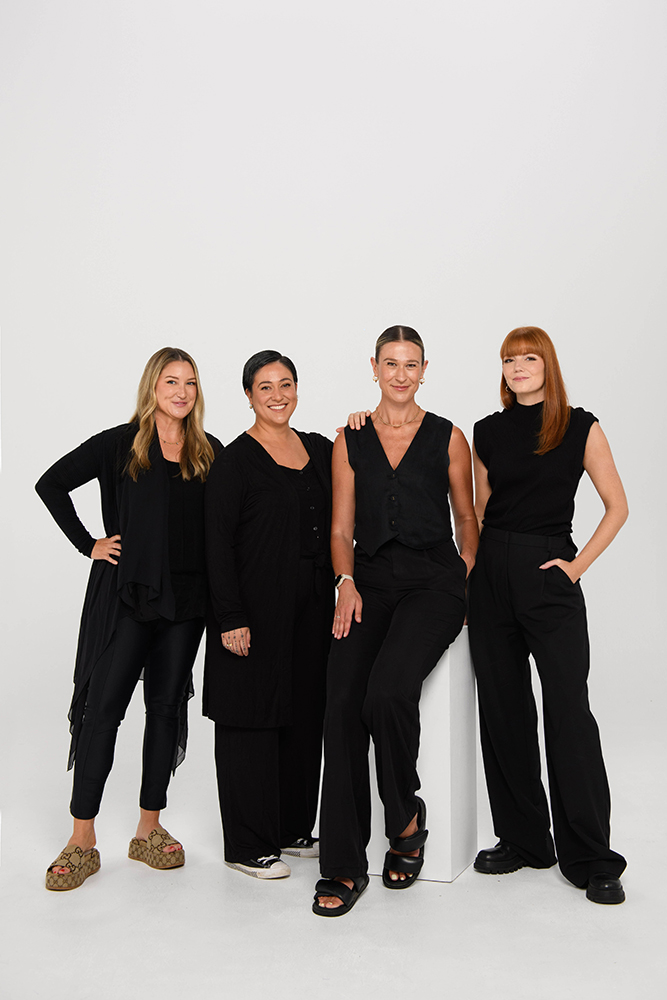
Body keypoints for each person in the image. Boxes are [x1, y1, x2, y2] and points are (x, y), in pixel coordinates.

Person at [36, 347, 221, 890]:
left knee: (164, 709)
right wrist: (88, 544)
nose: (182, 392)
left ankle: (148, 829)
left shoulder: (208, 451)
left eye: (190, 382)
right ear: (152, 386)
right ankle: (82, 839)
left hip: (186, 604)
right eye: (171, 381)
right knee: (102, 713)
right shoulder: (119, 444)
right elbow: (51, 484)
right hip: (127, 597)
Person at [312, 325, 478, 916]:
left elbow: (467, 518)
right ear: (374, 367)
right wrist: (345, 582)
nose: (401, 375)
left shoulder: (449, 437)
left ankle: (405, 819)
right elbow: (340, 528)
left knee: (387, 692)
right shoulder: (350, 439)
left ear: (425, 370)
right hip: (370, 581)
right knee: (340, 705)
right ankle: (342, 864)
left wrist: (462, 576)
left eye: (411, 364)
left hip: (433, 582)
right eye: (391, 363)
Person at [468, 326, 628, 904]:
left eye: (529, 358)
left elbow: (617, 506)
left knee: (568, 713)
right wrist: (472, 577)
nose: (517, 367)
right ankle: (524, 839)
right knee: (504, 709)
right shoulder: (487, 431)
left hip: (549, 574)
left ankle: (593, 857)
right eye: (509, 359)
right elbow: (480, 512)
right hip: (492, 575)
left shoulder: (580, 426)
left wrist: (575, 567)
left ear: (547, 365)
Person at [204, 350, 333, 879]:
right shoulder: (234, 461)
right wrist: (229, 616)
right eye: (265, 387)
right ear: (249, 395)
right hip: (253, 606)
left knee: (304, 711)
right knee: (250, 715)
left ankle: (292, 827)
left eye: (286, 384)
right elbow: (216, 545)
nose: (278, 395)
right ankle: (247, 844)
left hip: (314, 604)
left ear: (297, 389)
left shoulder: (320, 449)